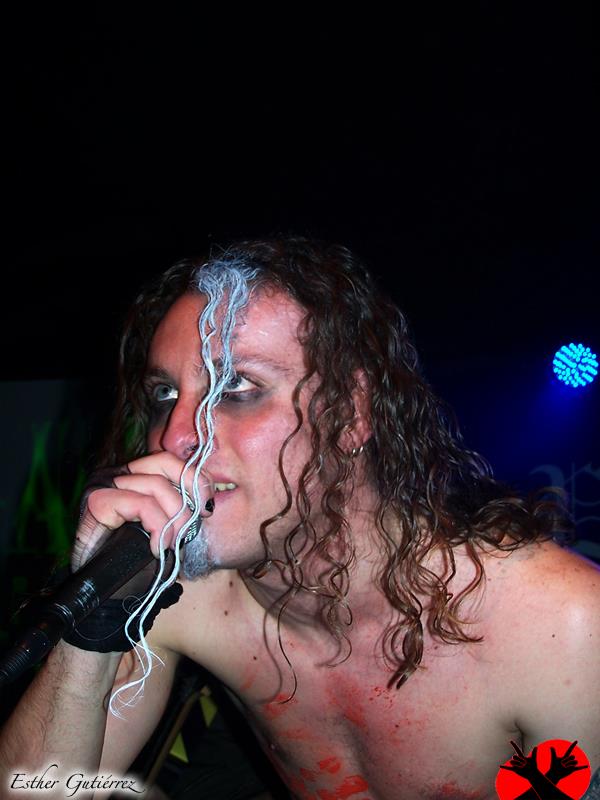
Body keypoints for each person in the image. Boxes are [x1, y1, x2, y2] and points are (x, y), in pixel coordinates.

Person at [0, 237, 598, 800]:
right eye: (164, 395)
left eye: (236, 386)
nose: (177, 435)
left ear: (351, 415)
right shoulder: (185, 594)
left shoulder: (556, 625)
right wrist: (94, 622)